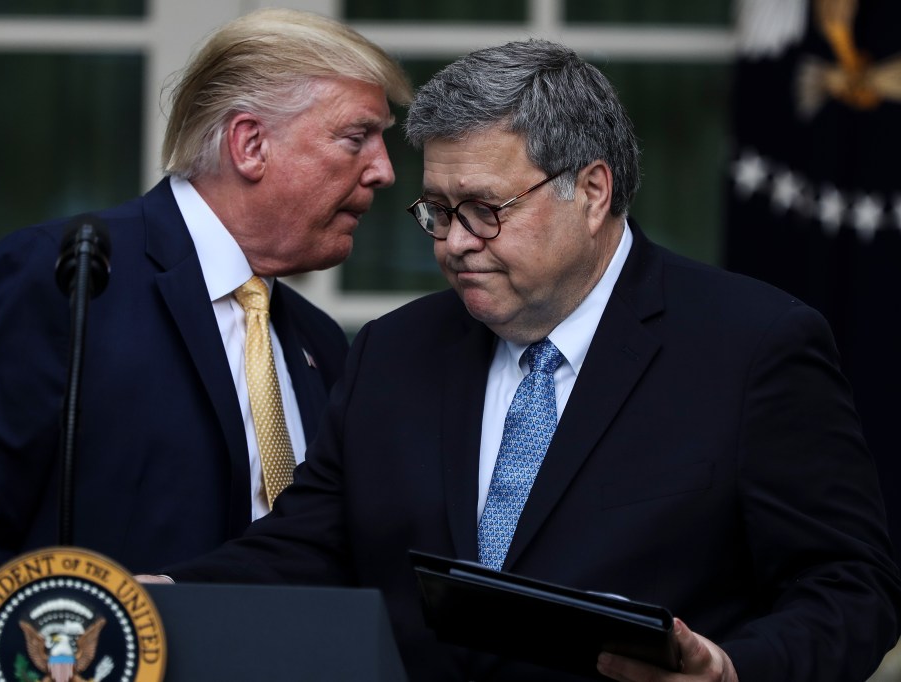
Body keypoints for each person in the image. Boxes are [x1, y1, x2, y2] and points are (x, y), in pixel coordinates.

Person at [144, 38, 901, 681]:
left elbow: (851, 588)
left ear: (593, 191)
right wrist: (157, 596)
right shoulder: (391, 352)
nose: (455, 242)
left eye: (484, 209)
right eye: (437, 212)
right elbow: (307, 546)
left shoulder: (753, 347)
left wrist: (736, 668)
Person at [0, 8, 411, 576]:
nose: (384, 171)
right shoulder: (64, 279)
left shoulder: (320, 342)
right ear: (250, 144)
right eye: (357, 138)